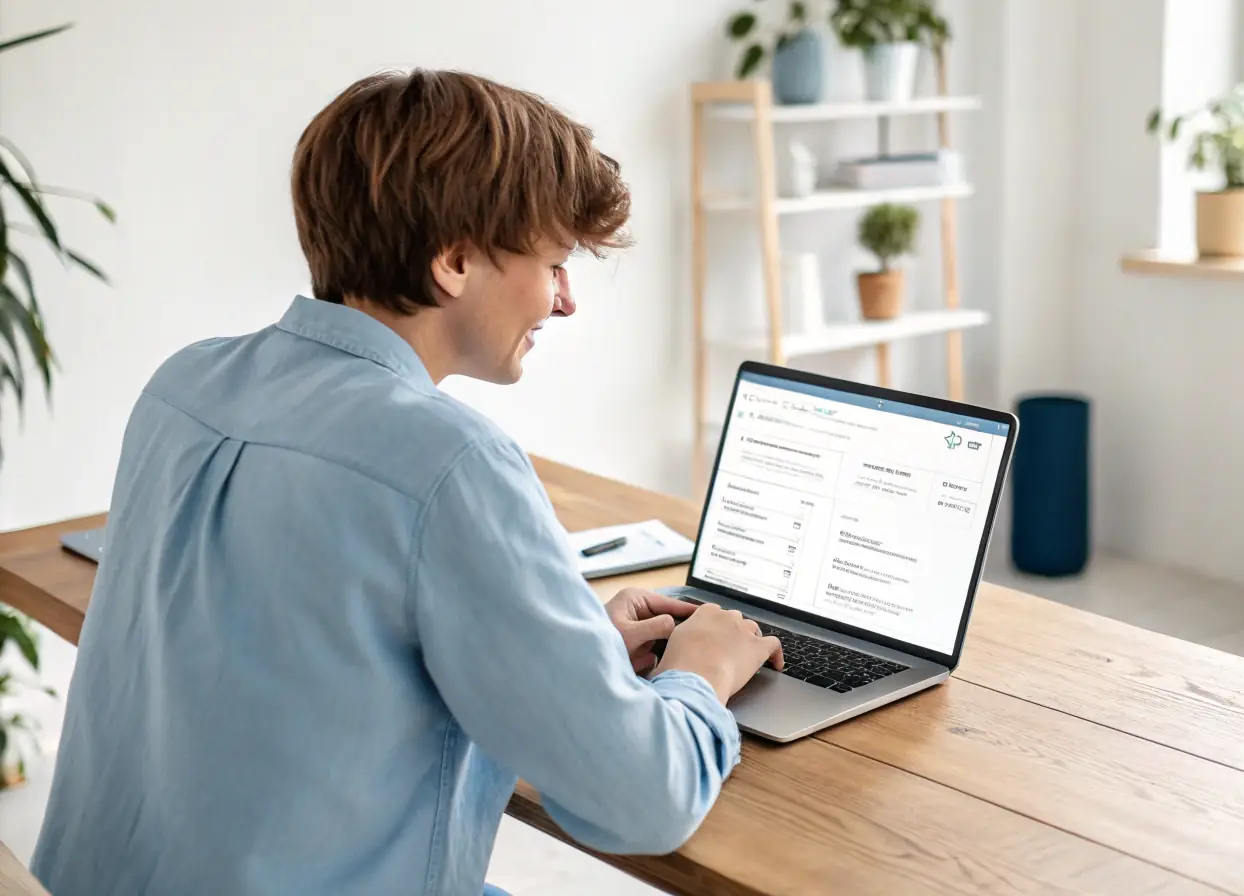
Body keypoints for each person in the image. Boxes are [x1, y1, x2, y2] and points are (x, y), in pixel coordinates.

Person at [31, 69, 783, 896]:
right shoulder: (449, 462)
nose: (564, 302)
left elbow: (316, 651)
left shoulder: (187, 383)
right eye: (554, 264)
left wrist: (570, 652)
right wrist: (700, 671)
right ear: (455, 260)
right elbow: (642, 800)